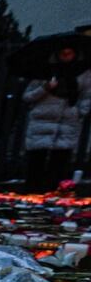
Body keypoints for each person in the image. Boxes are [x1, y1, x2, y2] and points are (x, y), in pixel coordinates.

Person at [23, 45, 91, 190]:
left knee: (59, 161)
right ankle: (32, 194)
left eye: (69, 53)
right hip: (42, 120)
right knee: (36, 160)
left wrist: (80, 111)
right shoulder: (45, 71)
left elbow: (87, 94)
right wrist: (46, 88)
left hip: (67, 121)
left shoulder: (83, 73)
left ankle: (52, 193)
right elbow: (28, 96)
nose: (66, 56)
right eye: (63, 53)